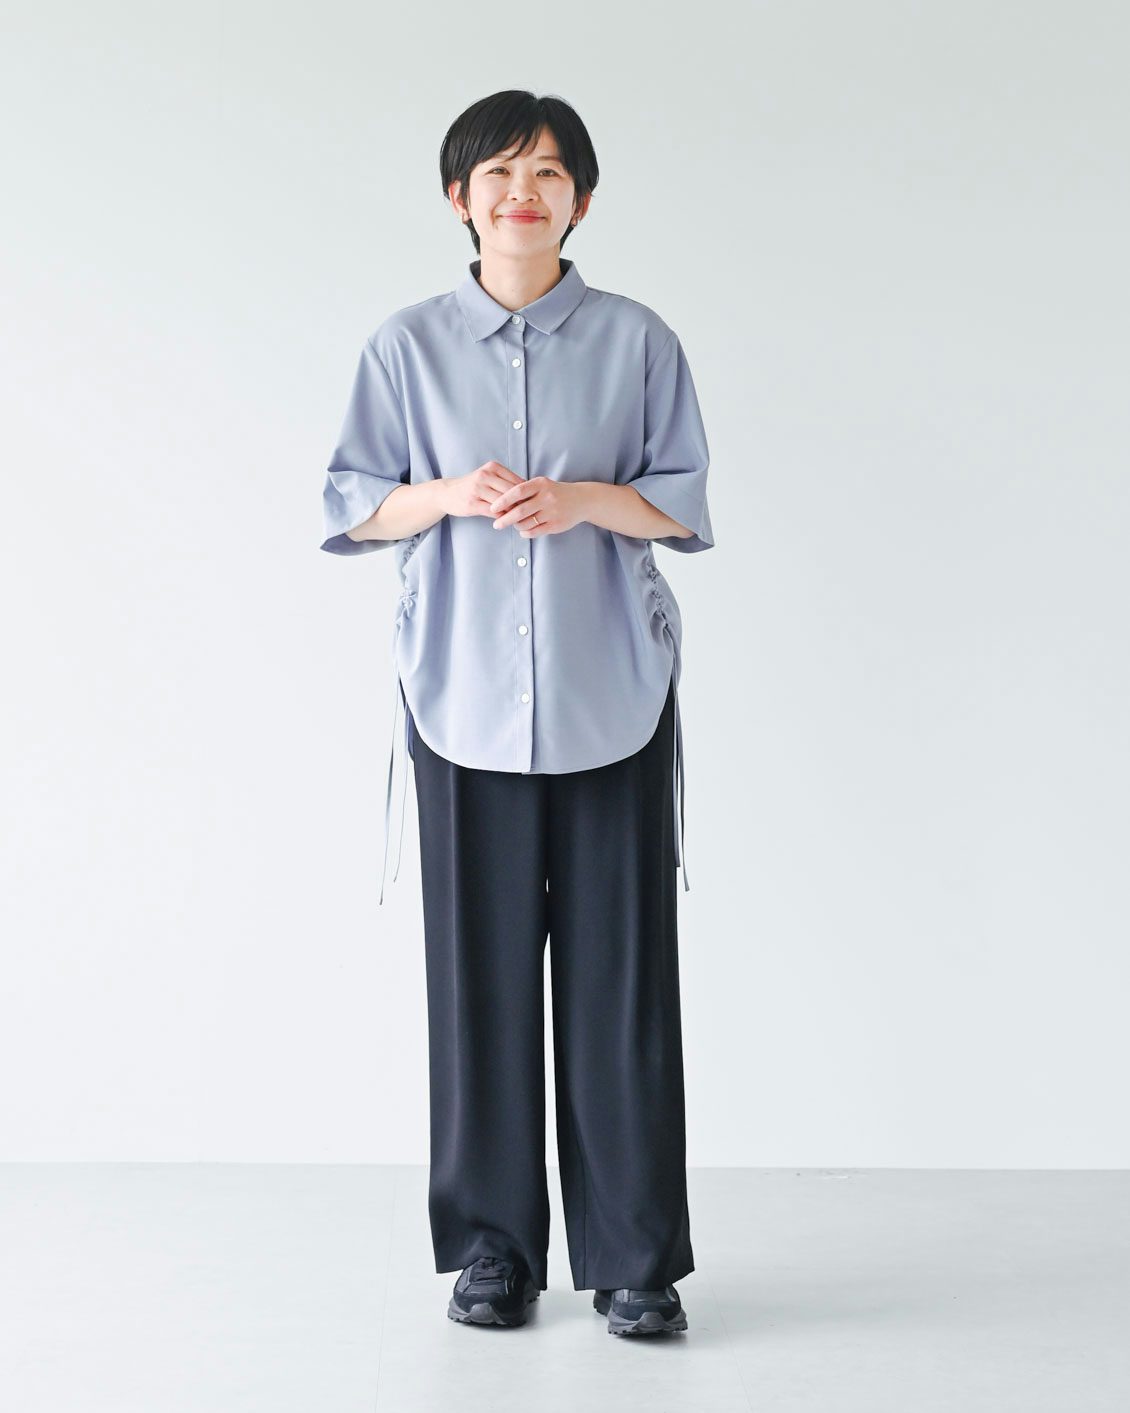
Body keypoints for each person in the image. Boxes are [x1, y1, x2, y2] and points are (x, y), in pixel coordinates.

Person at [319, 90, 714, 1337]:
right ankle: (491, 1254)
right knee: (477, 987)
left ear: (580, 199)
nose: (521, 193)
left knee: (620, 988)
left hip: (611, 695)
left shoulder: (638, 340)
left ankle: (635, 1261)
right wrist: (445, 493)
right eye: (497, 173)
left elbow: (680, 502)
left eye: (546, 172)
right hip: (459, 699)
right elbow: (350, 503)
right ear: (459, 198)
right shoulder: (404, 348)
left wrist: (582, 498)